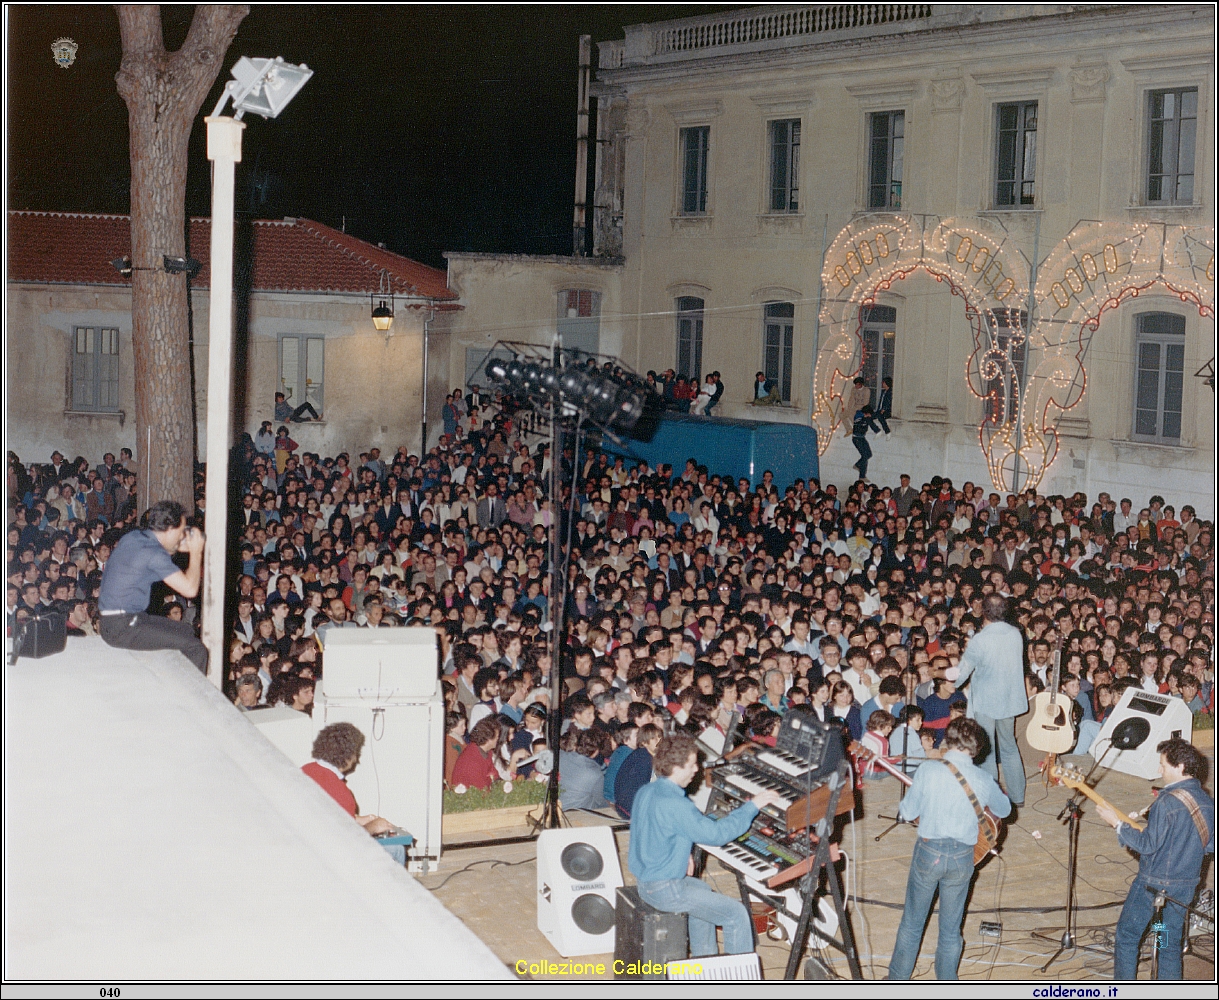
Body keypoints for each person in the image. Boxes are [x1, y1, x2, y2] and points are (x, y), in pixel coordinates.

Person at [628, 733, 783, 958]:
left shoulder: (647, 791)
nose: (697, 769)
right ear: (676, 768)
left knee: (702, 890)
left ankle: (705, 963)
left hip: (647, 882)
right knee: (736, 914)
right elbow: (718, 834)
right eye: (692, 764)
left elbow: (659, 831)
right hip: (666, 889)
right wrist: (753, 805)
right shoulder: (676, 804)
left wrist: (684, 850)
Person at [887, 718, 1012, 980]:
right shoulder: (983, 777)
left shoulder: (928, 770)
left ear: (949, 739)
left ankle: (897, 981)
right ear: (976, 747)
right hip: (963, 857)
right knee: (951, 929)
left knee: (912, 924)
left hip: (929, 853)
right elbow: (1005, 810)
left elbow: (907, 812)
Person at [1096, 739, 1215, 981]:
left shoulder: (1166, 801)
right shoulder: (1206, 801)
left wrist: (1117, 824)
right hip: (1184, 888)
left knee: (1128, 937)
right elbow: (1208, 846)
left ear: (1180, 766)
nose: (1159, 770)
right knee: (1167, 942)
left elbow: (1147, 846)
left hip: (1153, 886)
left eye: (1163, 765)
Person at [97, 499, 208, 674]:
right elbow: (190, 589)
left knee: (186, 629)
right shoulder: (153, 554)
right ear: (170, 529)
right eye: (181, 531)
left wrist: (180, 547)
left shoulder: (134, 537)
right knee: (196, 649)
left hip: (120, 620)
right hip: (122, 627)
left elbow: (164, 552)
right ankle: (184, 697)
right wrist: (196, 552)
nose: (182, 535)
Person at [952, 594, 1028, 805]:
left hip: (987, 701)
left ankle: (992, 798)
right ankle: (1018, 796)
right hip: (1009, 699)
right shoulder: (1015, 633)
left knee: (987, 750)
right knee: (1009, 746)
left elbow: (960, 676)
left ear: (984, 612)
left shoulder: (981, 639)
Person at [301, 722, 405, 864]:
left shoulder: (306, 770)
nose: (357, 759)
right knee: (396, 849)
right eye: (355, 753)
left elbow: (325, 818)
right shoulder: (340, 791)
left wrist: (356, 819)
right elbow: (348, 841)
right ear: (347, 755)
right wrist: (373, 827)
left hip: (306, 846)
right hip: (328, 856)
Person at [850, 404, 881, 481]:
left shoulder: (865, 417)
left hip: (862, 438)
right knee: (864, 456)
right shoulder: (859, 417)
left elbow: (871, 420)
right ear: (866, 413)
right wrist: (876, 430)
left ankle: (858, 466)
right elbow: (864, 423)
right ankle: (862, 475)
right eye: (869, 414)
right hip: (856, 439)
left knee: (869, 454)